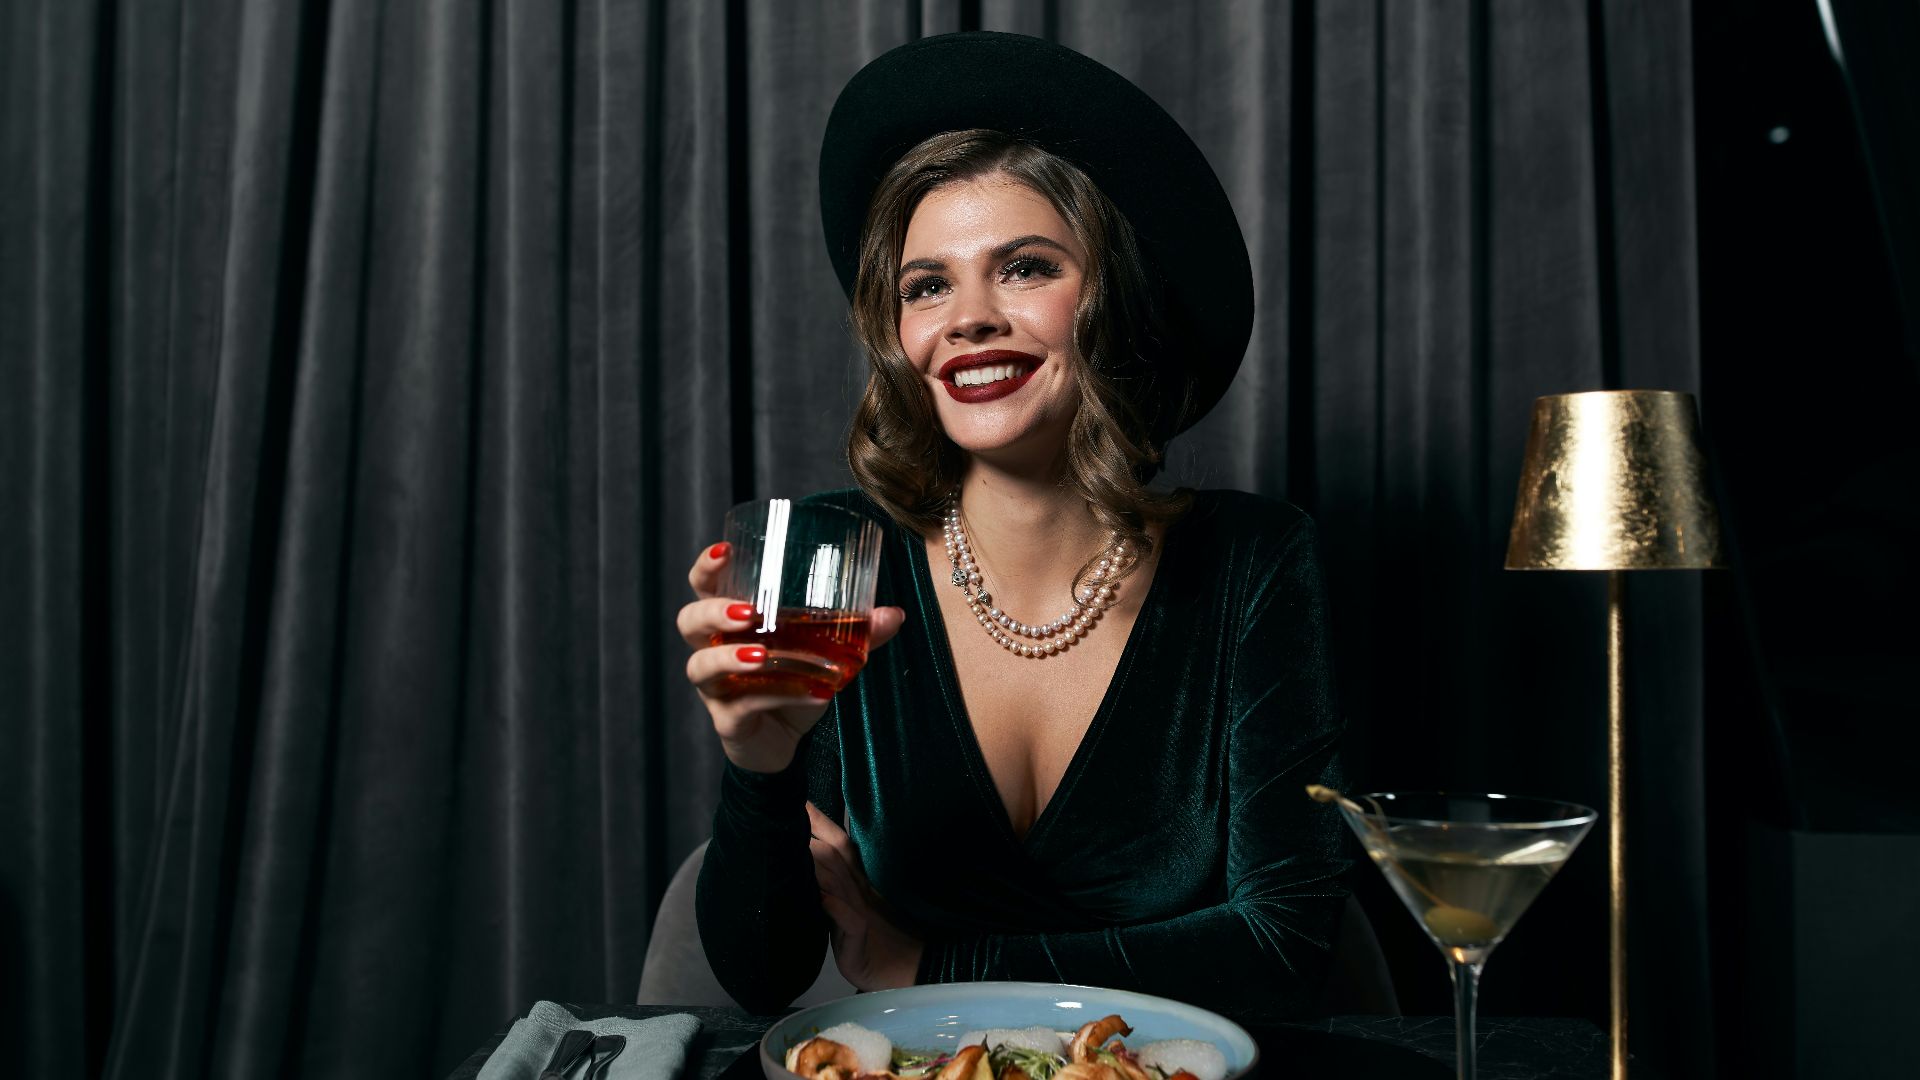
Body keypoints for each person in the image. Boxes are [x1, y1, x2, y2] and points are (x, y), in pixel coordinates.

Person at [677, 32, 1349, 1026]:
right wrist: (758, 772)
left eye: (1026, 268)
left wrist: (930, 966)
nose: (967, 319)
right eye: (927, 284)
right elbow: (762, 974)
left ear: (1113, 301)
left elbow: (1287, 948)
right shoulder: (827, 554)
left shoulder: (1252, 559)